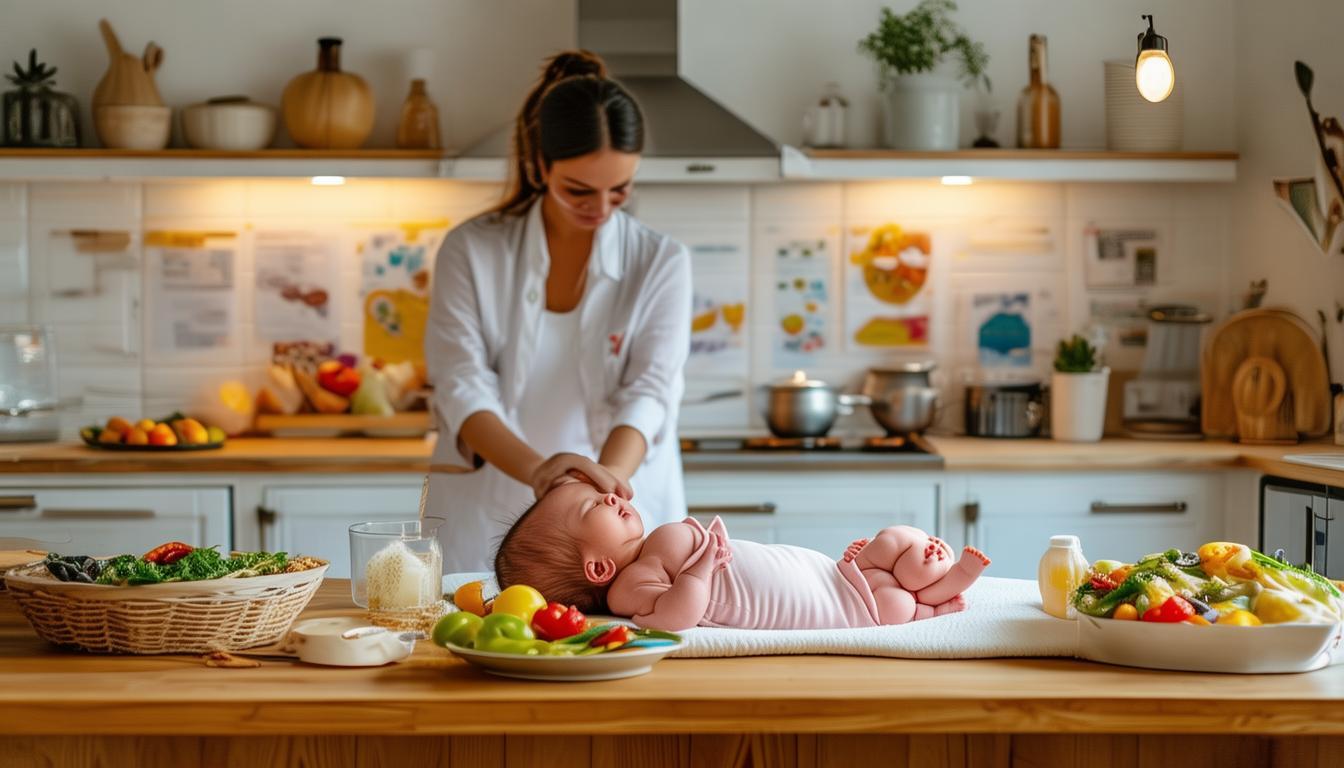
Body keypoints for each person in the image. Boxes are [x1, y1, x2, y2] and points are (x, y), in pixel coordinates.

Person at [425, 50, 692, 572]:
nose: (601, 208)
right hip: (487, 506)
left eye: (620, 189)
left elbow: (651, 391)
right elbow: (461, 385)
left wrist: (605, 486)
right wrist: (542, 472)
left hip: (621, 524)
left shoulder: (661, 261)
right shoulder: (471, 250)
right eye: (579, 191)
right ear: (540, 165)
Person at [493, 482, 992, 632]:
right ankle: (940, 600)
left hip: (826, 575)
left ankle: (934, 580)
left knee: (891, 541)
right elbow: (676, 619)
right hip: (839, 609)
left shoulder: (652, 546)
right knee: (900, 601)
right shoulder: (630, 586)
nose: (605, 496)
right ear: (599, 568)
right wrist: (700, 570)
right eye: (588, 508)